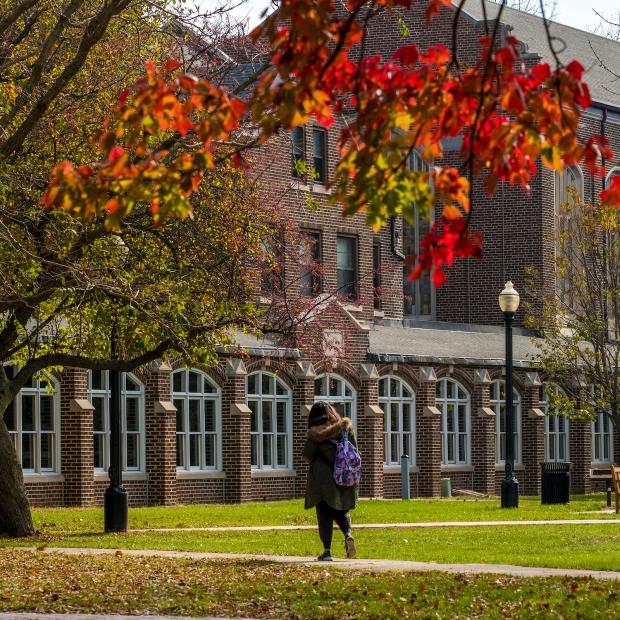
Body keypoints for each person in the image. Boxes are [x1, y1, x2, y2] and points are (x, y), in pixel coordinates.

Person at [303, 400, 358, 561]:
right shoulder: (345, 428)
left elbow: (307, 454)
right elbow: (354, 448)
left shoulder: (316, 434)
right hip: (345, 476)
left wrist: (313, 441)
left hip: (323, 480)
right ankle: (348, 534)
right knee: (342, 510)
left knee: (325, 513)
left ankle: (327, 551)